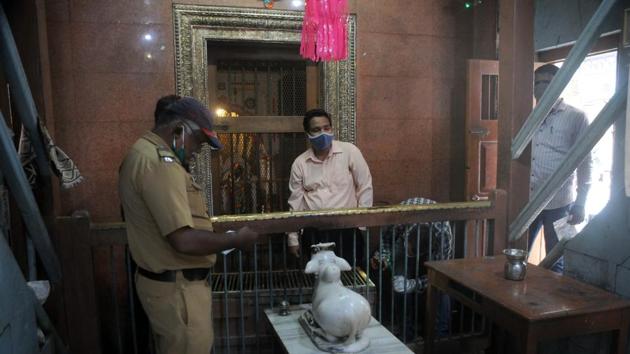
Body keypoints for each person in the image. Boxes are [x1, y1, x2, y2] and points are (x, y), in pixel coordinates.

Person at [119, 97, 258, 354]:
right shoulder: (160, 164)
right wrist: (236, 240)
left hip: (173, 288)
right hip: (179, 291)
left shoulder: (145, 153)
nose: (197, 151)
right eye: (199, 142)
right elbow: (183, 239)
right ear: (178, 129)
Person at [287, 108, 373, 266]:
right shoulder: (300, 163)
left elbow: (365, 187)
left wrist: (361, 224)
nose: (323, 133)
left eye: (327, 128)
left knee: (350, 275)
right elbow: (295, 203)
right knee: (320, 276)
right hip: (314, 232)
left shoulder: (350, 152)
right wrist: (293, 238)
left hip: (347, 230)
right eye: (316, 130)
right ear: (308, 134)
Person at [528, 64, 592, 273]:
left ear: (560, 84)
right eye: (537, 82)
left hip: (560, 204)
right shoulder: (528, 118)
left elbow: (585, 162)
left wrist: (581, 203)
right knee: (516, 254)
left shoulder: (576, 117)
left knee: (555, 259)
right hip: (527, 203)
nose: (541, 87)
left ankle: (549, 304)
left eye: (547, 82)